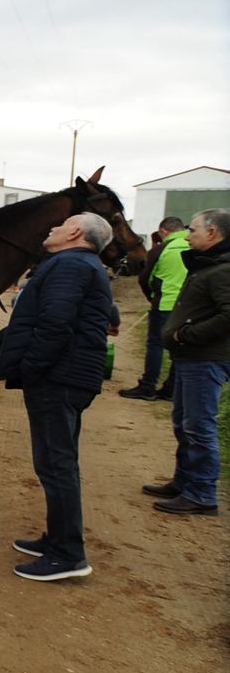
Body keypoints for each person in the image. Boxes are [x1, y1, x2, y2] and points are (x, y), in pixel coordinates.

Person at [0, 212, 116, 580]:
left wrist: (32, 367)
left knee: (57, 465)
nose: (52, 227)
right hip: (65, 376)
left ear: (74, 232)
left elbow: (53, 325)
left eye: (61, 224)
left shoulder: (70, 265)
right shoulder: (74, 264)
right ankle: (57, 539)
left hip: (59, 379)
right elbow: (28, 324)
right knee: (56, 463)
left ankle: (68, 554)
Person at [147, 209, 230, 516]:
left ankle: (202, 493)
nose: (188, 233)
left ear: (213, 234)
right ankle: (185, 482)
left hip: (205, 358)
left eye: (193, 229)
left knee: (198, 427)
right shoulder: (208, 266)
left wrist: (187, 335)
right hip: (191, 358)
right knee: (184, 423)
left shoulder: (222, 270)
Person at [121, 217, 190, 401]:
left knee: (156, 345)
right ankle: (171, 389)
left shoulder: (161, 249)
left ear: (164, 232)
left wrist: (151, 297)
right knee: (180, 346)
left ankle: (148, 386)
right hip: (189, 307)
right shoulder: (195, 246)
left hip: (165, 303)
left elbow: (145, 278)